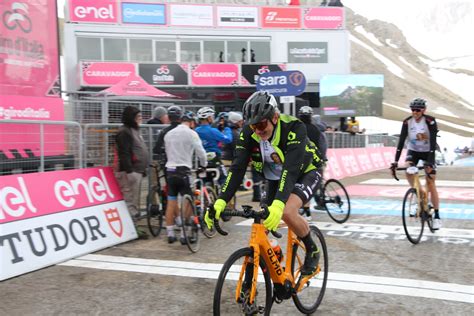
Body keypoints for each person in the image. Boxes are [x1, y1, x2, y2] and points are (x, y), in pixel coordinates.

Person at [205, 91, 323, 276]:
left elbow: (291, 170)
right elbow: (237, 169)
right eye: (253, 126)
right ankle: (274, 262)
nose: (258, 131)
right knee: (262, 223)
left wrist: (278, 204)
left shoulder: (294, 127)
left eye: (261, 124)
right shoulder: (248, 133)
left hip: (306, 171)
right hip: (276, 177)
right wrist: (220, 201)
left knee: (286, 211)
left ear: (274, 117)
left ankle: (312, 249)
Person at [391, 98, 441, 229]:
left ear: (424, 110)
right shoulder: (407, 122)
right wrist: (396, 161)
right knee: (409, 170)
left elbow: (433, 141)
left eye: (418, 110)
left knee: (431, 181)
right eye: (413, 110)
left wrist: (430, 162)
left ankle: (437, 216)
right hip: (413, 151)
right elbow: (401, 141)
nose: (415, 112)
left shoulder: (430, 121)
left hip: (428, 151)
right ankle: (418, 195)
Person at [163, 108, 207, 244]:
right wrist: (203, 165)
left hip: (169, 170)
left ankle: (170, 233)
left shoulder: (168, 134)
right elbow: (201, 152)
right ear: (192, 122)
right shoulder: (191, 133)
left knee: (171, 202)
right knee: (189, 200)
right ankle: (183, 234)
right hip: (183, 171)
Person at [115, 106, 149, 239]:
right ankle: (131, 229)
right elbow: (124, 153)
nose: (140, 119)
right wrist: (129, 170)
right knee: (130, 200)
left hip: (137, 170)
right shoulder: (125, 132)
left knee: (134, 200)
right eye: (138, 117)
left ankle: (133, 227)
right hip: (130, 172)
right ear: (131, 118)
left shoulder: (134, 130)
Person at [298, 106, 327, 219]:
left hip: (301, 161)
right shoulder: (316, 129)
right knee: (315, 183)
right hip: (315, 161)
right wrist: (323, 159)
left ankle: (306, 210)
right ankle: (320, 200)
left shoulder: (297, 128)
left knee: (301, 186)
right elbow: (322, 145)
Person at [195, 107, 233, 185]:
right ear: (208, 118)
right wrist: (227, 129)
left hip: (201, 160)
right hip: (214, 159)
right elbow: (228, 139)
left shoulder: (196, 131)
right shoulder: (213, 131)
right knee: (224, 180)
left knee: (201, 182)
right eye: (212, 116)